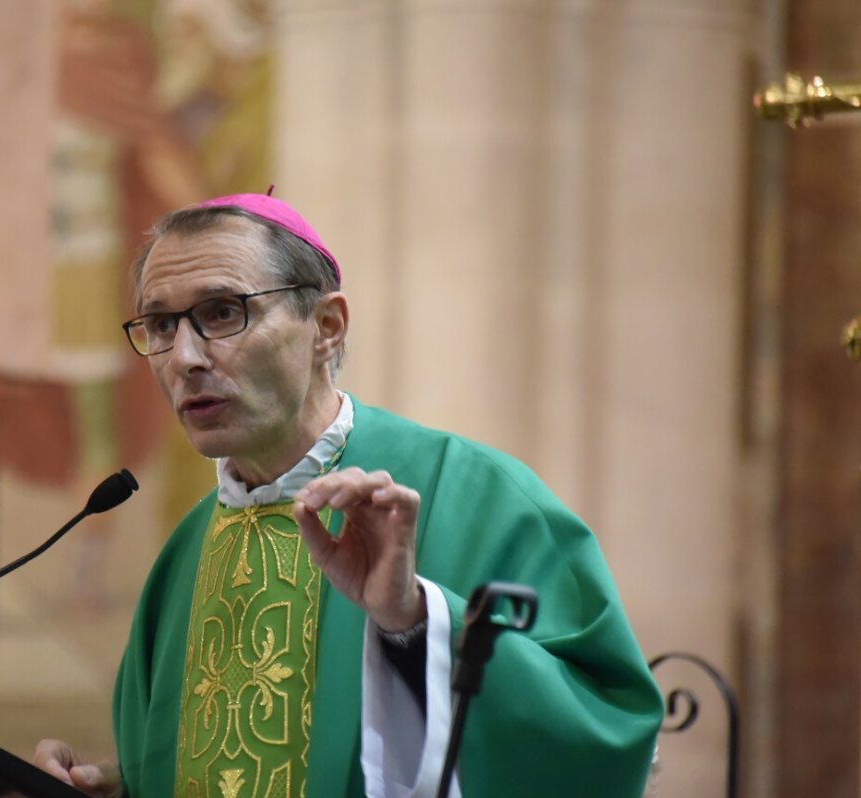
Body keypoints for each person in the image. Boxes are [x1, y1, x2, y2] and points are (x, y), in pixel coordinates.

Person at [34, 192, 663, 797]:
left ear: (327, 327)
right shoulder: (184, 556)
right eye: (161, 324)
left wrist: (413, 621)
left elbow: (605, 734)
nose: (186, 357)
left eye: (223, 312)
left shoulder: (469, 493)